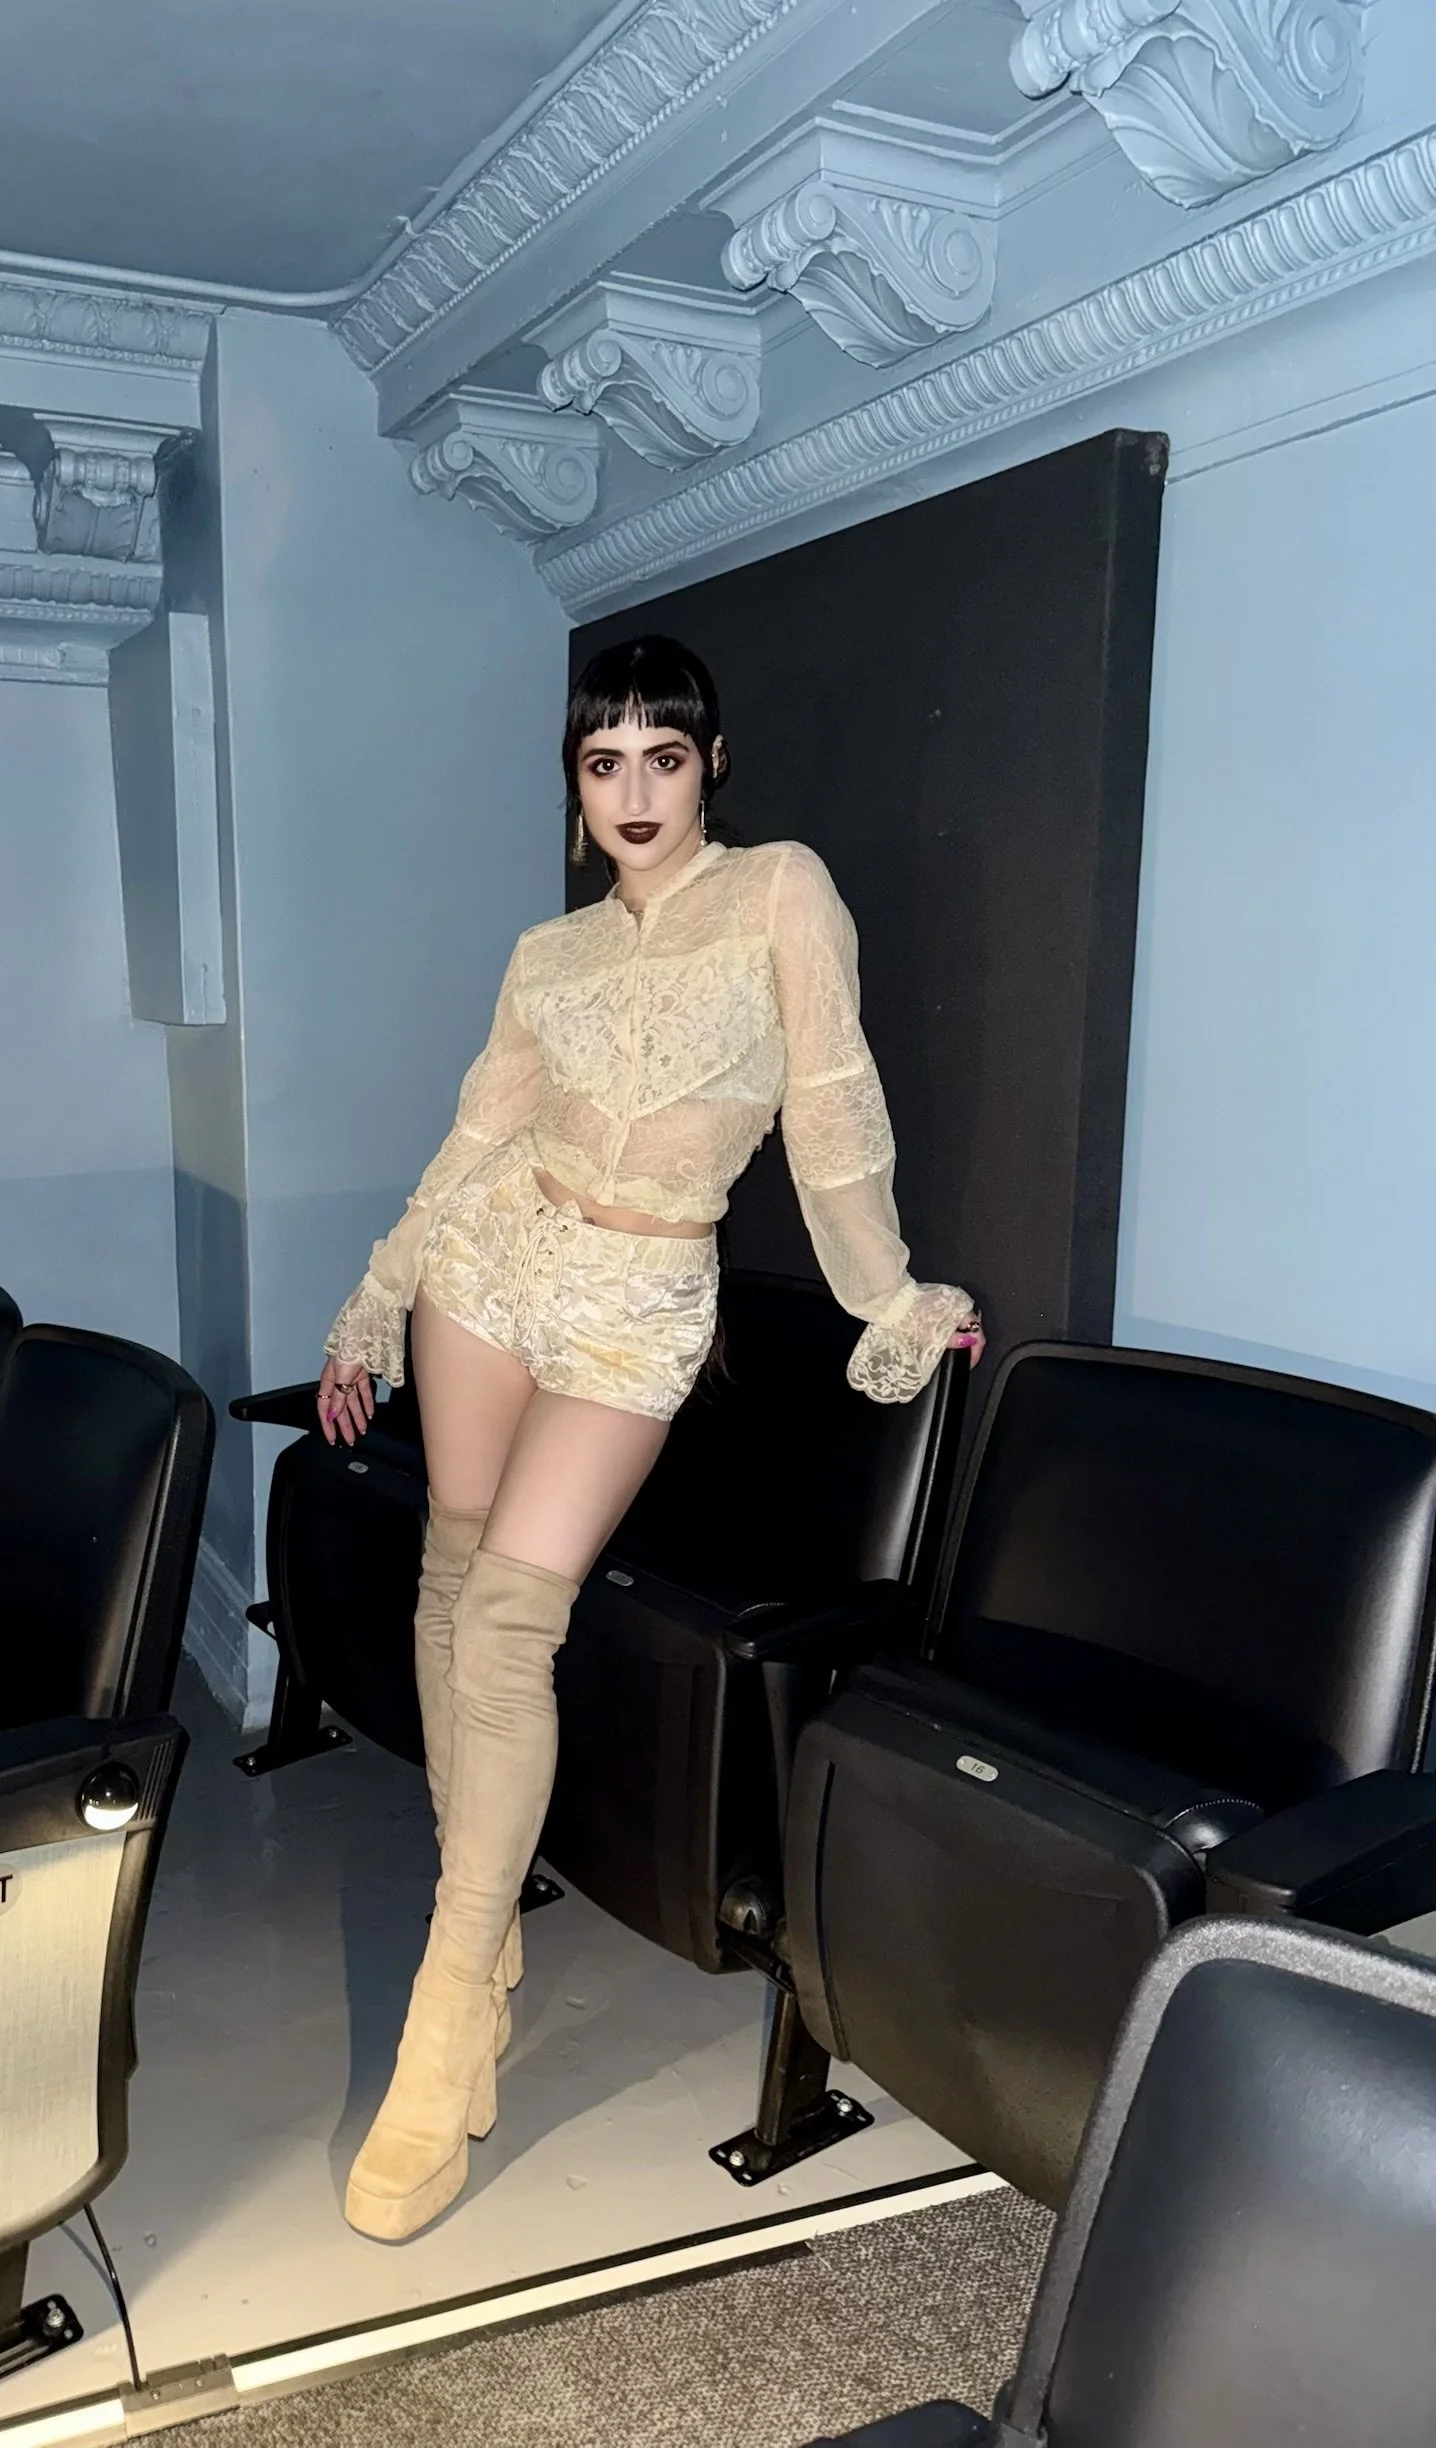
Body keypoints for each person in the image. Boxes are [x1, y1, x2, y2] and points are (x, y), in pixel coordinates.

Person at [319, 634, 982, 2242]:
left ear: (711, 767)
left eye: (663, 758)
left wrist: (889, 1295)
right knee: (448, 1581)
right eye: (603, 760)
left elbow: (832, 1105)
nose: (633, 790)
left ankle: (441, 2017)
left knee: (510, 1620)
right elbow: (476, 1132)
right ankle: (480, 1931)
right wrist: (373, 1299)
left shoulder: (779, 894)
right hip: (491, 1263)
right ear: (576, 781)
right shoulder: (546, 953)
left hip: (639, 1296)